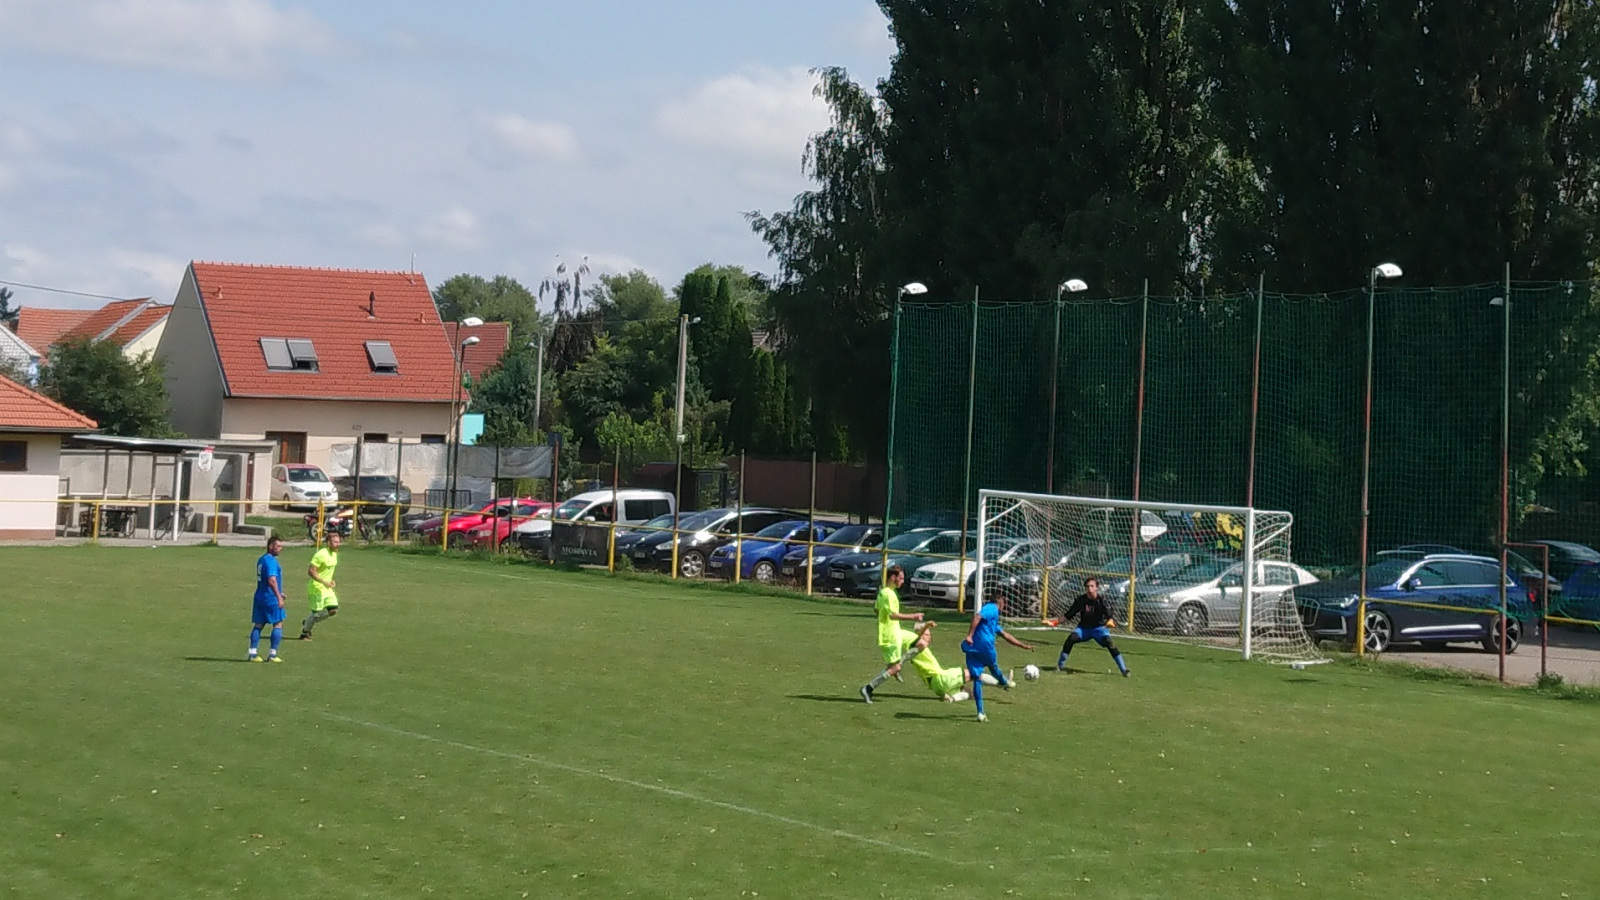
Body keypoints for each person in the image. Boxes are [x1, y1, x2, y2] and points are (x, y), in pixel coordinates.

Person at [961, 590, 1033, 722]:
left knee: (977, 678)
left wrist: (1023, 645)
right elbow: (977, 616)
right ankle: (1005, 683)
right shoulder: (992, 608)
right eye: (1004, 603)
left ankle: (980, 713)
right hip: (984, 646)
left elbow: (1006, 635)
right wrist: (970, 635)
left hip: (972, 648)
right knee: (993, 668)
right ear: (1001, 602)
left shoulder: (991, 623)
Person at [860, 565, 924, 703]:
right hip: (890, 635)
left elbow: (876, 610)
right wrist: (913, 616)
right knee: (894, 667)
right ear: (893, 577)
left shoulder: (886, 592)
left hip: (896, 631)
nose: (903, 581)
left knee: (921, 642)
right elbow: (893, 615)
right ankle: (868, 688)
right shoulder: (888, 594)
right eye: (901, 578)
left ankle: (896, 666)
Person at [1057, 577, 1130, 676]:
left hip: (1099, 629)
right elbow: (1069, 614)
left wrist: (1110, 621)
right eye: (1087, 586)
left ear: (1096, 588)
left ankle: (1124, 670)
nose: (1090, 589)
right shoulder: (1081, 600)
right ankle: (1059, 666)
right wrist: (1055, 622)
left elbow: (1110, 615)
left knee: (1109, 643)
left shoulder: (1102, 600)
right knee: (1071, 638)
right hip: (1084, 629)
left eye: (1092, 586)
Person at [249, 536, 287, 662]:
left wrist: (280, 593)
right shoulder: (271, 561)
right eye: (278, 546)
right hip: (270, 598)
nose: (281, 548)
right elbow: (271, 580)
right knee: (278, 623)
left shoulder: (262, 559)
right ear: (271, 546)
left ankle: (253, 653)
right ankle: (272, 654)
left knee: (258, 624)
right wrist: (278, 597)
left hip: (260, 595)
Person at [299, 531, 340, 640]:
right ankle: (304, 633)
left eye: (338, 542)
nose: (338, 544)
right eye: (335, 542)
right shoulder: (321, 555)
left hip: (327, 588)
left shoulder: (334, 554)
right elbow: (311, 571)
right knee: (316, 613)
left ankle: (308, 622)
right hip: (316, 588)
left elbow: (326, 571)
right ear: (328, 543)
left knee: (333, 610)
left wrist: (330, 581)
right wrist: (324, 582)